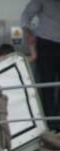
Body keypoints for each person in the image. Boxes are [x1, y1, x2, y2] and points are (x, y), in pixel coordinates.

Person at [23, 1, 60, 130]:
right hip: (46, 42)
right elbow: (26, 15)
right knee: (47, 84)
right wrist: (29, 33)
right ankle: (51, 123)